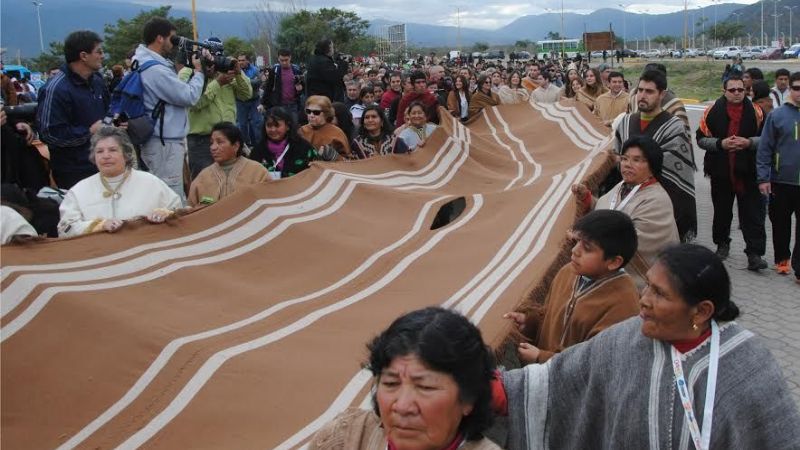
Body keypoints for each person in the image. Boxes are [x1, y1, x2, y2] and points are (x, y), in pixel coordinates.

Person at [500, 243, 800, 449]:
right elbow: (559, 380)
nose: (643, 299)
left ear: (701, 311)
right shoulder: (624, 339)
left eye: (659, 293)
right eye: (647, 285)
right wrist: (491, 388)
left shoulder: (747, 364)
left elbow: (778, 436)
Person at [311, 307, 500, 450]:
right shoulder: (347, 439)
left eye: (425, 387)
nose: (402, 406)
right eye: (391, 383)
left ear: (469, 398)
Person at [503, 209, 640, 365]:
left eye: (587, 248)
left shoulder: (624, 304)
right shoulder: (568, 271)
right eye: (577, 242)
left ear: (614, 262)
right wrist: (528, 322)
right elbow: (548, 315)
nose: (575, 251)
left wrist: (541, 357)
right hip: (542, 376)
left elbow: (596, 363)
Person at [574, 136, 679, 287]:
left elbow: (631, 241)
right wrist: (587, 200)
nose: (627, 165)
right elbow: (607, 213)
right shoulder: (622, 186)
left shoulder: (657, 200)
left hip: (638, 287)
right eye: (624, 158)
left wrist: (586, 237)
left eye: (636, 160)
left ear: (652, 166)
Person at [613, 69, 697, 243]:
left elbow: (676, 171)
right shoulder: (626, 122)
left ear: (662, 94)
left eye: (649, 91)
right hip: (628, 199)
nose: (642, 96)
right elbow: (617, 155)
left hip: (660, 202)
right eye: (640, 90)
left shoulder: (674, 126)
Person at [697, 75, 767, 271]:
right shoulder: (711, 112)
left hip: (749, 171)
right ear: (724, 91)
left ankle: (755, 254)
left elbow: (767, 139)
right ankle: (722, 244)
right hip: (720, 171)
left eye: (740, 90)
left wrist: (749, 142)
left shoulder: (757, 111)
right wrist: (721, 144)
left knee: (752, 214)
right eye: (732, 90)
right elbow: (701, 139)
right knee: (721, 211)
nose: (737, 93)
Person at [58, 127, 181, 237]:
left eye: (112, 150)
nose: (106, 156)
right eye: (100, 151)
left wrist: (165, 213)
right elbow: (65, 229)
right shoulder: (79, 190)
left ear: (126, 154)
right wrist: (99, 226)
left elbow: (178, 209)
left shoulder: (150, 182)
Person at [134, 17, 205, 201]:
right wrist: (199, 72)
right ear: (160, 38)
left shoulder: (141, 61)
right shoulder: (155, 69)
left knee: (161, 193)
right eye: (172, 39)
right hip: (163, 142)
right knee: (169, 197)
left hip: (159, 139)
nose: (173, 44)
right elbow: (188, 96)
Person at [35, 30, 109, 190]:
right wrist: (88, 132)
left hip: (102, 163)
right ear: (83, 56)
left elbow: (106, 113)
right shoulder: (56, 89)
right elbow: (49, 133)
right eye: (99, 52)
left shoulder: (97, 82)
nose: (102, 56)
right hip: (73, 171)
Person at [179, 51, 252, 180]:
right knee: (205, 183)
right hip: (202, 140)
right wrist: (217, 83)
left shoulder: (225, 71)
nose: (213, 63)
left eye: (216, 58)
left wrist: (238, 73)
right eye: (209, 59)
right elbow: (194, 103)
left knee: (232, 183)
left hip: (228, 137)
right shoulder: (189, 72)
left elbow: (246, 94)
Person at [758, 71, 800, 281]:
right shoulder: (777, 116)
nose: (799, 93)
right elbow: (765, 148)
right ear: (790, 90)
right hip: (780, 180)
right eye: (796, 88)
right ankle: (782, 260)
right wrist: (764, 177)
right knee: (780, 223)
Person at [188, 122, 269, 206]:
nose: (213, 147)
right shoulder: (203, 177)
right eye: (211, 143)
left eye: (219, 142)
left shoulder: (258, 172)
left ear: (236, 146)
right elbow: (191, 209)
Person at [249, 106, 323, 179]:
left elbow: (316, 171)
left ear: (287, 126)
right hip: (268, 190)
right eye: (269, 125)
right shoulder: (258, 151)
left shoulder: (303, 147)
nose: (273, 129)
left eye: (277, 125)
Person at [627, 63, 690, 130]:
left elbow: (683, 134)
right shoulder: (634, 97)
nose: (643, 95)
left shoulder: (675, 105)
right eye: (640, 90)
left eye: (649, 91)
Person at [299, 95, 352, 160]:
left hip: (330, 169)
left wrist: (334, 156)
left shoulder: (337, 133)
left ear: (326, 113)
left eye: (316, 112)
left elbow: (348, 161)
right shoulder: (301, 131)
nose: (311, 115)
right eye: (308, 111)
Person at [260, 49, 303, 123]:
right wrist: (263, 103)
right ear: (278, 59)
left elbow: (302, 86)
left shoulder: (296, 70)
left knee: (294, 127)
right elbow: (268, 88)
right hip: (279, 105)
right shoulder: (275, 71)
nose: (284, 62)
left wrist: (300, 89)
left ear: (290, 58)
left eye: (286, 60)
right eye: (281, 60)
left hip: (293, 105)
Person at [235, 53, 263, 147]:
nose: (240, 62)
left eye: (243, 60)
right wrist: (250, 81)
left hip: (254, 100)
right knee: (242, 124)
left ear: (247, 61)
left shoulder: (255, 70)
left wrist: (245, 82)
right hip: (240, 101)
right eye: (239, 60)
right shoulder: (235, 70)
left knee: (257, 122)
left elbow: (259, 82)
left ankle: (259, 145)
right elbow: (235, 84)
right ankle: (245, 145)